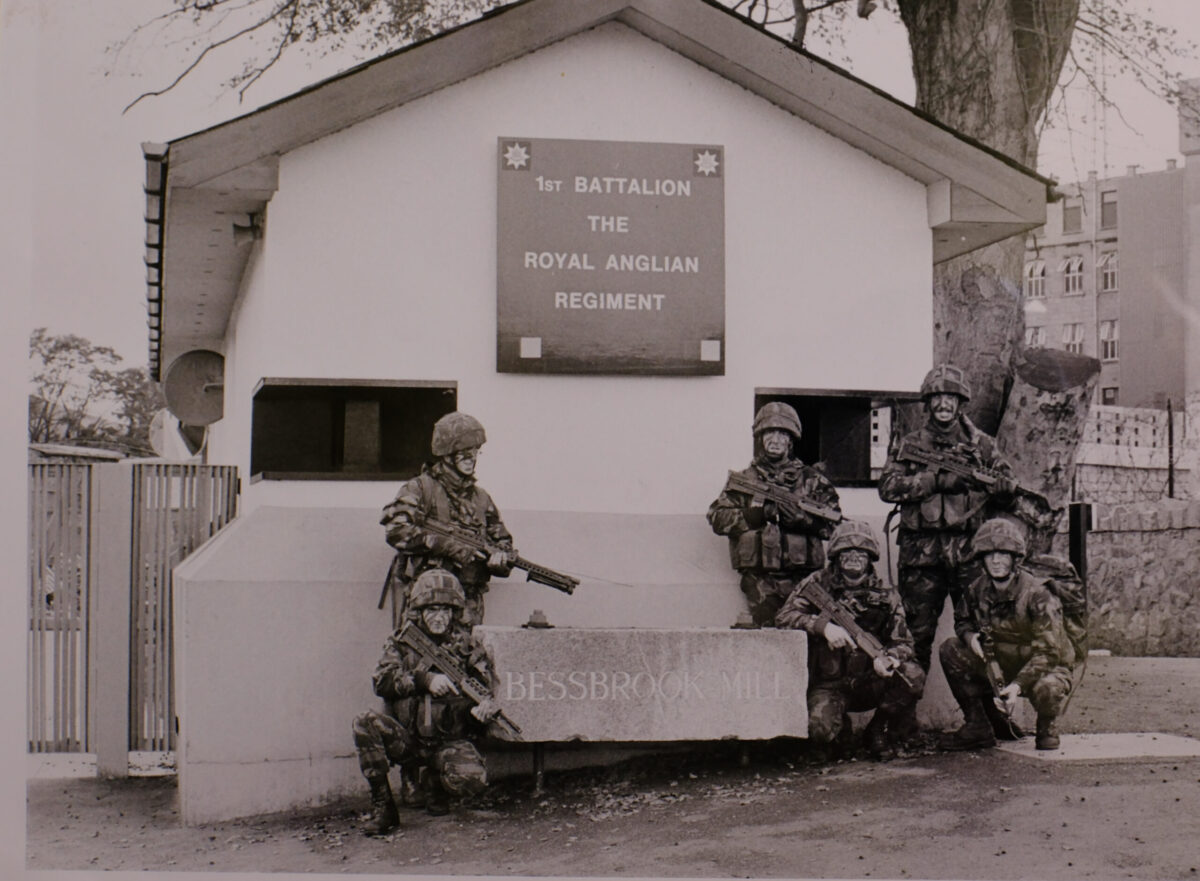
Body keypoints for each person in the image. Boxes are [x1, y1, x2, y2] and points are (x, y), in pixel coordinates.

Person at [877, 363, 1019, 677]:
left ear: (960, 402)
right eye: (937, 397)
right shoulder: (909, 444)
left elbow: (1009, 490)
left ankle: (985, 719)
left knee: (984, 634)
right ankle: (902, 720)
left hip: (969, 555)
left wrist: (1002, 490)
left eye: (950, 397)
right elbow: (887, 488)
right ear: (928, 403)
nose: (943, 404)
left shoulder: (982, 446)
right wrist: (936, 481)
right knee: (913, 638)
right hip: (920, 557)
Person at [351, 569, 504, 835]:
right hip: (408, 740)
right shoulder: (401, 642)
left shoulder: (467, 648)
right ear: (419, 611)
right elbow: (382, 681)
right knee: (364, 723)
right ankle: (384, 807)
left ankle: (435, 782)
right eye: (432, 610)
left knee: (472, 780)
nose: (439, 617)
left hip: (447, 742)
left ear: (455, 613)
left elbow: (482, 692)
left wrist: (478, 713)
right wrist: (424, 680)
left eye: (445, 610)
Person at [775, 520, 925, 759]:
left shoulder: (885, 593)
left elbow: (904, 642)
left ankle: (878, 730)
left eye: (861, 553)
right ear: (836, 554)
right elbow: (784, 617)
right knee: (820, 731)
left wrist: (889, 659)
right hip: (830, 683)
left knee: (912, 676)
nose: (854, 557)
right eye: (847, 551)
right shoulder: (817, 584)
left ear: (870, 557)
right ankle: (840, 729)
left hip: (869, 679)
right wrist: (822, 628)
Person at [938, 518, 1077, 751]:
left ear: (1014, 558)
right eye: (989, 554)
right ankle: (979, 725)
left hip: (1042, 665)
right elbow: (962, 620)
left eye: (1003, 554)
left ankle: (1047, 726)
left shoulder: (1038, 594)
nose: (996, 560)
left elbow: (1049, 653)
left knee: (1048, 689)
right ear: (981, 558)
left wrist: (1017, 686)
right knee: (951, 649)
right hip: (1000, 661)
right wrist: (971, 639)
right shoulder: (976, 589)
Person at [707, 402, 841, 626]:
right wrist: (755, 516)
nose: (776, 439)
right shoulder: (746, 481)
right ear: (760, 438)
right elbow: (717, 518)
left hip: (806, 581)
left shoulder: (813, 481)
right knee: (767, 640)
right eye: (770, 432)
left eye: (782, 434)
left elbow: (836, 527)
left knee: (806, 636)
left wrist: (804, 521)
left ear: (791, 439)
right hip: (761, 581)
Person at [381, 411, 515, 625]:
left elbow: (502, 542)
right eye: (464, 453)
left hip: (468, 606)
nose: (472, 459)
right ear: (447, 454)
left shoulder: (481, 499)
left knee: (468, 657)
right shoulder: (421, 489)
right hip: (427, 602)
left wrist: (498, 562)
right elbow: (396, 531)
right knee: (416, 657)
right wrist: (444, 544)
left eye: (476, 452)